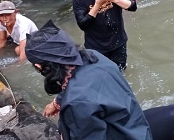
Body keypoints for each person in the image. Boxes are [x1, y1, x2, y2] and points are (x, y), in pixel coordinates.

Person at [25, 20, 153, 140]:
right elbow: (75, 82)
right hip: (137, 129)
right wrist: (57, 102)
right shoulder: (93, 56)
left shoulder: (76, 102)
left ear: (39, 66)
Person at [72, 0, 137, 70]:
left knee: (120, 72)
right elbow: (83, 25)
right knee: (100, 75)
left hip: (118, 42)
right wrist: (97, 5)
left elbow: (132, 6)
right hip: (95, 46)